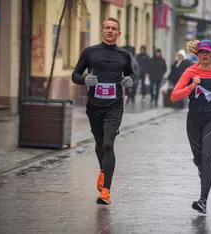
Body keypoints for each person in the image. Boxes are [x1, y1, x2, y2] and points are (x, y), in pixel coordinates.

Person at [71, 17, 134, 205]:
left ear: (118, 33)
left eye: (114, 28)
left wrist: (130, 80)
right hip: (94, 106)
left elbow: (130, 73)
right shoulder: (90, 52)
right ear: (101, 30)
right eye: (106, 27)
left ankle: (106, 190)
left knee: (108, 144)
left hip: (115, 106)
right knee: (99, 145)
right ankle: (103, 170)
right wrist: (84, 81)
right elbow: (75, 74)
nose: (110, 30)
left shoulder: (124, 55)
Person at [170, 39, 211, 213]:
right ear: (197, 55)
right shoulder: (190, 71)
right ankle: (202, 170)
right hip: (194, 121)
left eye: (207, 52)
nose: (204, 55)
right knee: (199, 160)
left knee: (207, 156)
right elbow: (174, 96)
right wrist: (192, 85)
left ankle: (203, 200)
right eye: (201, 52)